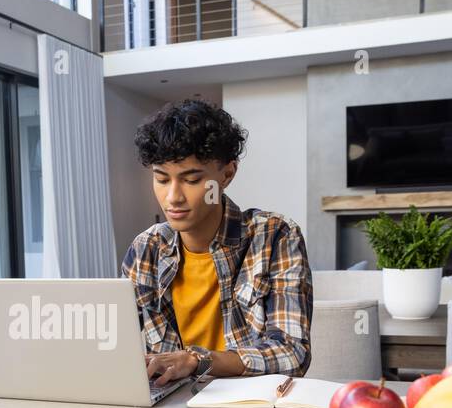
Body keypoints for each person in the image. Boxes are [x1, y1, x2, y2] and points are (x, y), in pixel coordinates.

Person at [121, 98, 313, 386]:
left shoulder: (275, 235)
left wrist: (197, 361)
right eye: (162, 179)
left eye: (191, 179)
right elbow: (118, 349)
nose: (173, 197)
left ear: (227, 174)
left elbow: (292, 353)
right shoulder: (145, 249)